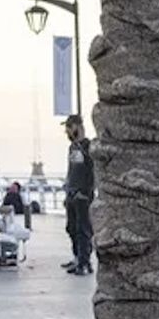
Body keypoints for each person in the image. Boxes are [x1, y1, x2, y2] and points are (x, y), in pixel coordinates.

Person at [60, 115, 95, 275]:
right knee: (71, 227)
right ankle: (77, 257)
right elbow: (71, 169)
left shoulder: (88, 147)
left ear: (78, 127)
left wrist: (86, 191)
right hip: (71, 193)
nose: (67, 131)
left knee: (83, 230)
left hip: (83, 195)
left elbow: (93, 171)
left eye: (69, 126)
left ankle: (84, 262)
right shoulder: (72, 148)